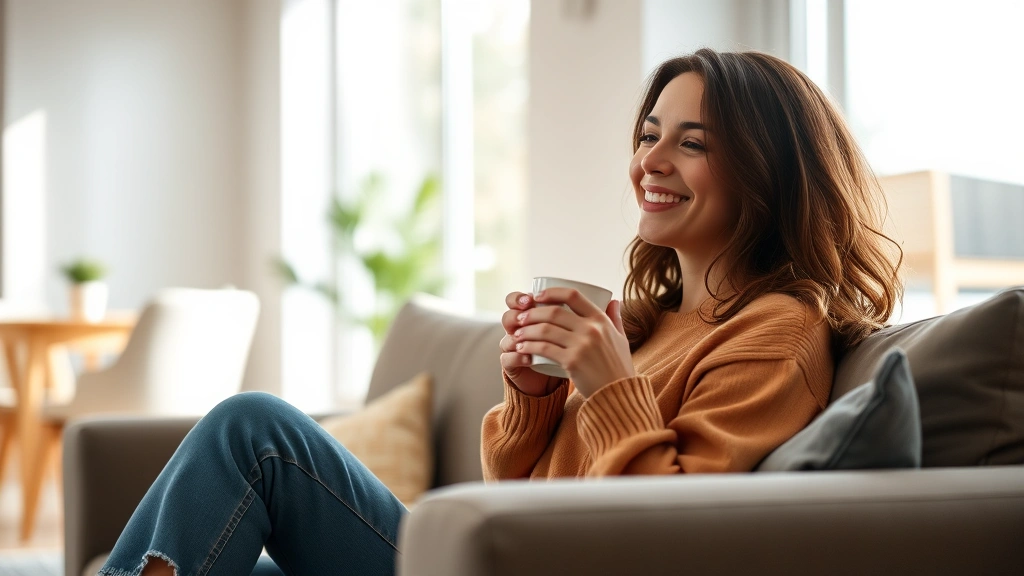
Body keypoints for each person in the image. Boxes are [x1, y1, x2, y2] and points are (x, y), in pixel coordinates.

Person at [101, 48, 901, 576]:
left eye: (691, 143)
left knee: (256, 433)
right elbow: (526, 495)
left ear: (766, 172)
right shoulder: (655, 320)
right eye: (650, 133)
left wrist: (610, 383)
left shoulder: (778, 332)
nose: (649, 161)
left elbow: (668, 534)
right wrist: (534, 397)